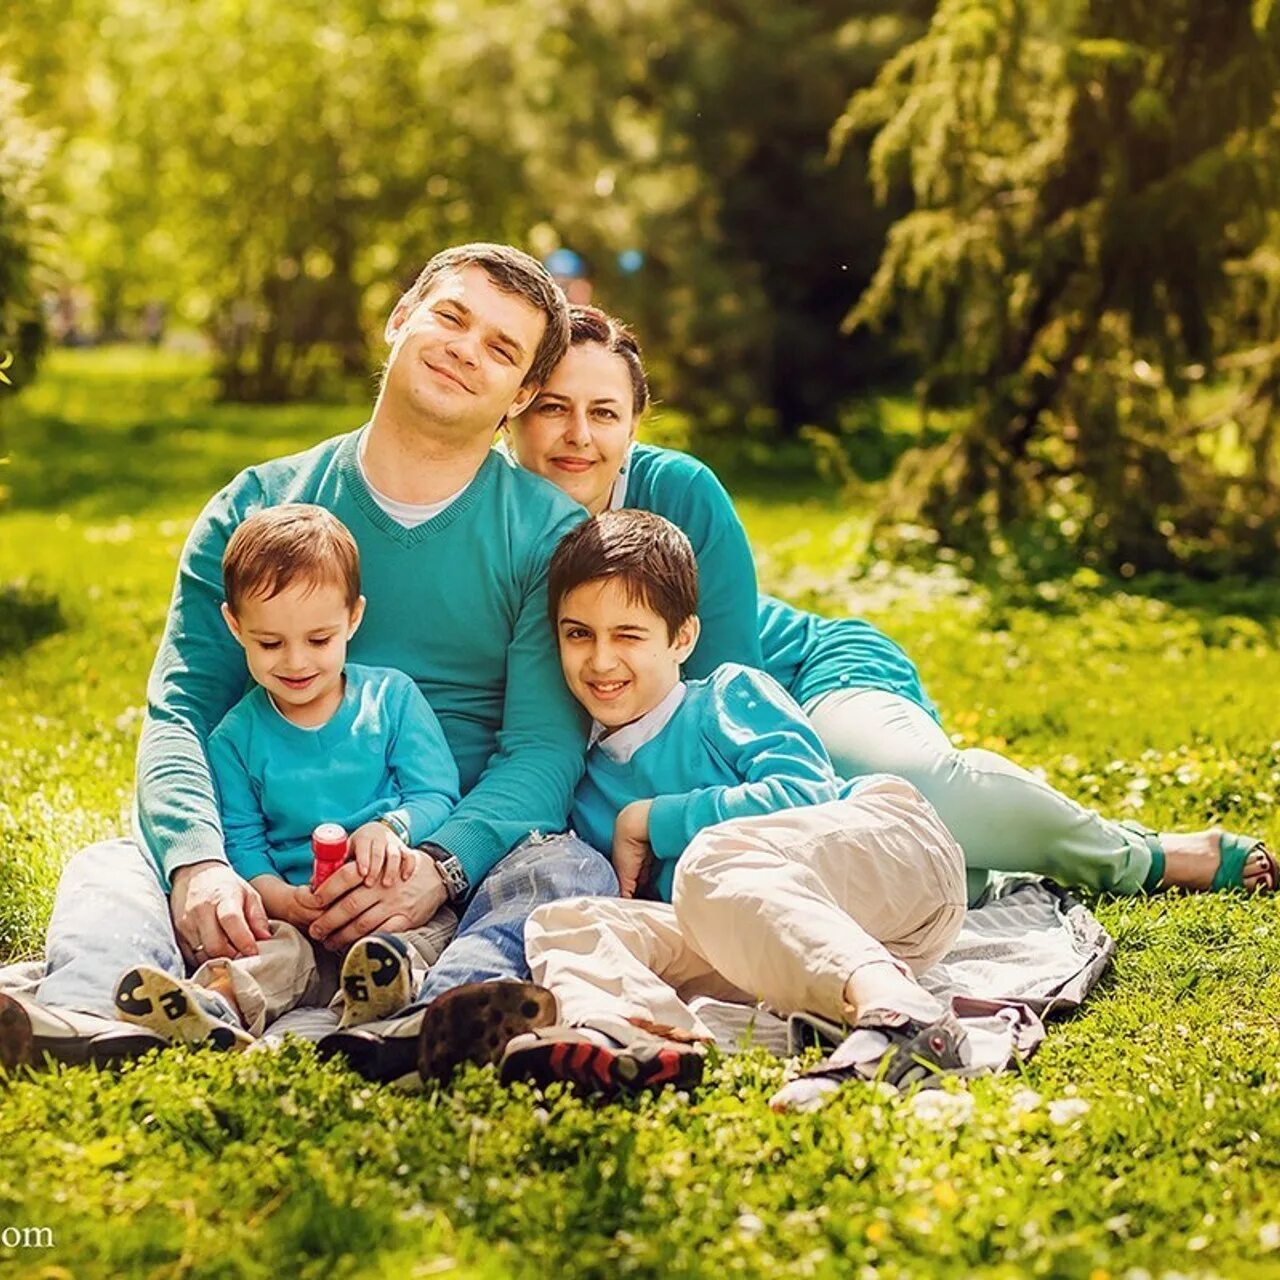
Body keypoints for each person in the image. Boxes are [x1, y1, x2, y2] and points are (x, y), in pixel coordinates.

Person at [0, 244, 616, 1078]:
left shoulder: (545, 534)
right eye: (451, 317)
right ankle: (98, 1016)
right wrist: (204, 867)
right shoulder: (259, 506)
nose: (467, 349)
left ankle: (439, 1013)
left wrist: (437, 869)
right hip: (257, 868)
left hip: (442, 865)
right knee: (113, 864)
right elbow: (180, 713)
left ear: (518, 399)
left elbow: (542, 750)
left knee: (568, 866)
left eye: (502, 349)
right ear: (402, 319)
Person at [503, 305, 1276, 902]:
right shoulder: (491, 519)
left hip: (792, 682)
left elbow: (737, 688)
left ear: (634, 425)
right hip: (675, 742)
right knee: (868, 856)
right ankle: (971, 869)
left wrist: (659, 817)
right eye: (552, 408)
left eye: (604, 412)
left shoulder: (678, 492)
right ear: (513, 413)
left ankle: (1145, 853)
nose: (578, 436)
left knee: (914, 790)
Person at [499, 510, 970, 1104]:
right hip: (778, 946)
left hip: (892, 864)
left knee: (710, 859)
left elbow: (807, 796)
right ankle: (635, 1040)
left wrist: (651, 818)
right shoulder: (586, 782)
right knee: (569, 920)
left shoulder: (726, 697)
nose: (599, 660)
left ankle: (906, 1018)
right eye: (578, 634)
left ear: (682, 638)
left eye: (628, 635)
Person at [112, 505, 462, 1048]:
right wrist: (278, 898)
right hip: (296, 917)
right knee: (269, 952)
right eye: (270, 643)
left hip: (387, 904)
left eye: (319, 640)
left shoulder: (391, 700)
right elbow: (243, 843)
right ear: (234, 625)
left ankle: (376, 1000)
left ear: (353, 617)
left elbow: (436, 793)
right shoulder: (235, 738)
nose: (296, 662)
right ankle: (217, 1004)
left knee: (429, 931)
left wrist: (392, 829)